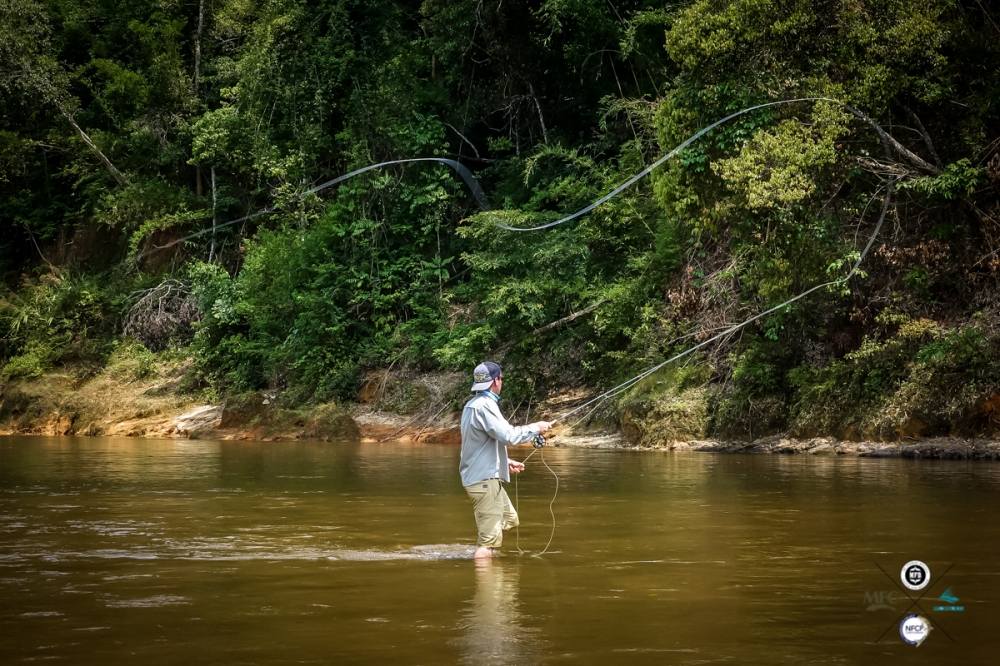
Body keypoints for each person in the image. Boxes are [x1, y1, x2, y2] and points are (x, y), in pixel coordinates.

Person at [459, 361, 551, 560]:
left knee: (510, 519)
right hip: (483, 481)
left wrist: (505, 461)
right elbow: (508, 435)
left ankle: (486, 541)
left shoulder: (472, 405)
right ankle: (488, 585)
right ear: (495, 381)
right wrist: (536, 427)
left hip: (482, 477)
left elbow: (477, 444)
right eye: (501, 378)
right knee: (488, 544)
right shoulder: (485, 405)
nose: (502, 383)